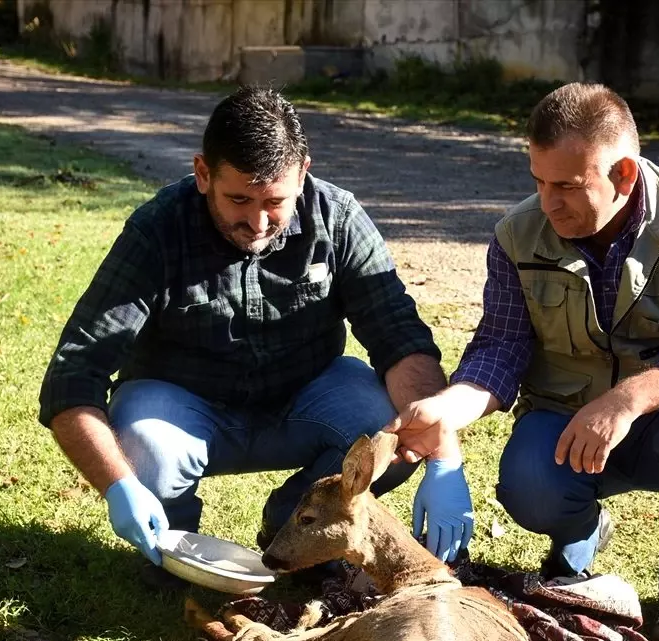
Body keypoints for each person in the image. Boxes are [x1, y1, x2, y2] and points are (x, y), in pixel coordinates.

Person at [38, 86, 474, 569]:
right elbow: (74, 372)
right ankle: (174, 547)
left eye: (274, 201)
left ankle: (298, 526)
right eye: (239, 199)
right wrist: (120, 485)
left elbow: (401, 337)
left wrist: (443, 454)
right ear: (203, 173)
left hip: (303, 399)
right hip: (183, 410)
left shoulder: (339, 218)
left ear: (303, 173)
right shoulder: (158, 230)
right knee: (143, 446)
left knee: (384, 431)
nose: (257, 221)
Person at [388, 82, 659, 641]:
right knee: (527, 486)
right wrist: (444, 411)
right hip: (562, 417)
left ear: (624, 175)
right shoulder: (516, 235)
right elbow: (500, 349)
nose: (547, 202)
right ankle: (579, 534)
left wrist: (625, 401)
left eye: (566, 185)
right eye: (537, 180)